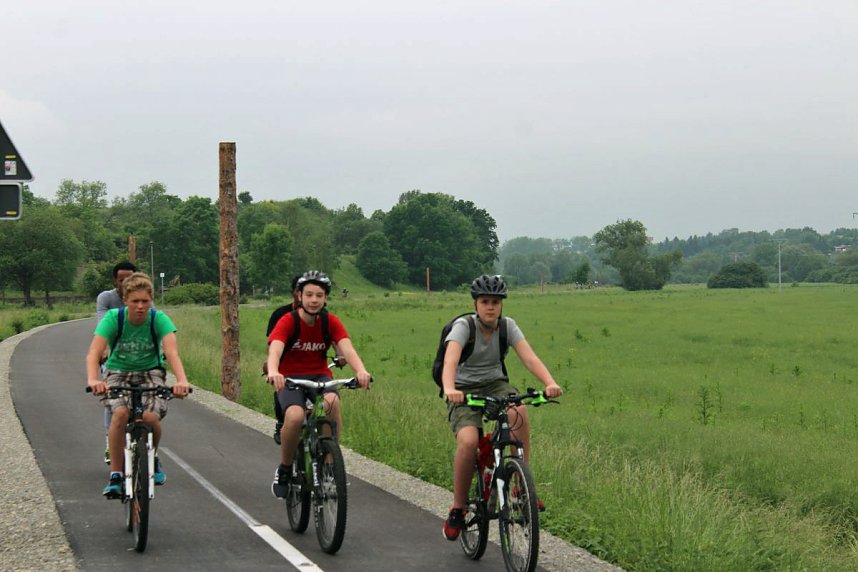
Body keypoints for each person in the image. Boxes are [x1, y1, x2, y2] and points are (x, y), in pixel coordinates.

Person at [440, 274, 563, 541]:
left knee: (519, 410)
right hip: (463, 389)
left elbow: (529, 358)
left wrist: (550, 382)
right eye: (485, 301)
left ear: (501, 305)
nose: (490, 307)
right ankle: (458, 508)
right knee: (468, 441)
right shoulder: (463, 327)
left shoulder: (507, 326)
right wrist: (450, 389)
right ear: (475, 304)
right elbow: (450, 362)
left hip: (496, 384)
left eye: (495, 302)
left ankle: (521, 488)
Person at [265, 270, 371, 498]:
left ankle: (330, 468)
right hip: (290, 377)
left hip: (319, 375)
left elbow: (347, 348)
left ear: (325, 298)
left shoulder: (330, 321)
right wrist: (274, 371)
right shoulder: (288, 320)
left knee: (332, 402)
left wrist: (360, 370)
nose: (314, 300)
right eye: (309, 295)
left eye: (319, 295)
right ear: (299, 296)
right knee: (294, 416)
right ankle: (285, 468)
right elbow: (275, 350)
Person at [86, 272, 190, 498]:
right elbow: (94, 352)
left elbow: (171, 352)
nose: (140, 306)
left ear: (151, 300)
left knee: (151, 418)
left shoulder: (158, 319)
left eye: (145, 301)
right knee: (120, 414)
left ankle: (152, 456)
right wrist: (94, 379)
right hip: (118, 372)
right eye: (135, 301)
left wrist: (182, 380)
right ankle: (116, 475)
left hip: (150, 372)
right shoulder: (114, 318)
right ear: (125, 300)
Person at [266, 275, 345, 444]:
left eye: (318, 295)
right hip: (287, 367)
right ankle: (282, 422)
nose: (313, 299)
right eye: (306, 293)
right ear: (296, 294)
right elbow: (273, 347)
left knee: (328, 403)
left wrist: (341, 355)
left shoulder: (323, 317)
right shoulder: (281, 315)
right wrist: (272, 367)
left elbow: (334, 340)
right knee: (290, 406)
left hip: (315, 370)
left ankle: (326, 446)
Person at [95, 261, 138, 464]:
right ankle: (109, 441)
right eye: (121, 280)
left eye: (130, 279)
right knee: (113, 398)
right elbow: (103, 325)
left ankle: (149, 449)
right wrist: (105, 348)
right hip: (112, 355)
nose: (125, 283)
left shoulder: (142, 298)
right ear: (115, 281)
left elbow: (155, 322)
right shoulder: (106, 298)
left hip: (138, 355)